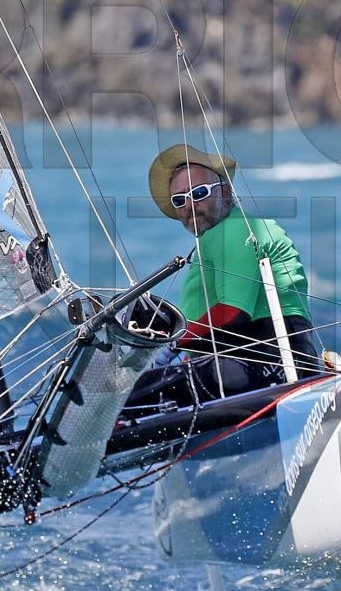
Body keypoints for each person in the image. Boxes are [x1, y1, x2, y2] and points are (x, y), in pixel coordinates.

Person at [124, 144, 322, 411]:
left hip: (260, 364)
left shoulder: (234, 229)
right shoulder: (224, 235)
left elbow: (232, 312)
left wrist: (174, 343)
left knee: (123, 399)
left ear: (226, 192)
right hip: (268, 364)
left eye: (199, 193)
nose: (190, 205)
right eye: (179, 200)